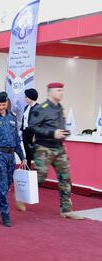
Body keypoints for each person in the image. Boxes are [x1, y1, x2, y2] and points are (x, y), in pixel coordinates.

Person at [29, 82, 83, 220]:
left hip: (59, 148)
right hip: (43, 148)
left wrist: (63, 134)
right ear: (50, 92)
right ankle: (22, 195)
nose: (62, 92)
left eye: (62, 90)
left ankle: (66, 210)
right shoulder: (42, 108)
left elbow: (60, 127)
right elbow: (32, 127)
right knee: (40, 178)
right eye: (59, 90)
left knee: (65, 178)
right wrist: (52, 133)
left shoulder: (59, 108)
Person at [0, 92, 27, 227]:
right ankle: (5, 214)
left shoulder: (12, 117)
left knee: (7, 184)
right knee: (2, 186)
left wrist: (22, 157)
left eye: (3, 104)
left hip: (10, 156)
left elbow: (16, 138)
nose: (1, 107)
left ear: (7, 103)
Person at [21, 88, 39, 169]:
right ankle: (27, 172)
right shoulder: (26, 107)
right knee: (27, 153)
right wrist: (21, 131)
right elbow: (24, 120)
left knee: (34, 154)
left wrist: (36, 135)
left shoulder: (38, 108)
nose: (24, 98)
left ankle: (36, 173)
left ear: (30, 97)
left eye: (26, 97)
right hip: (26, 132)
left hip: (33, 133)